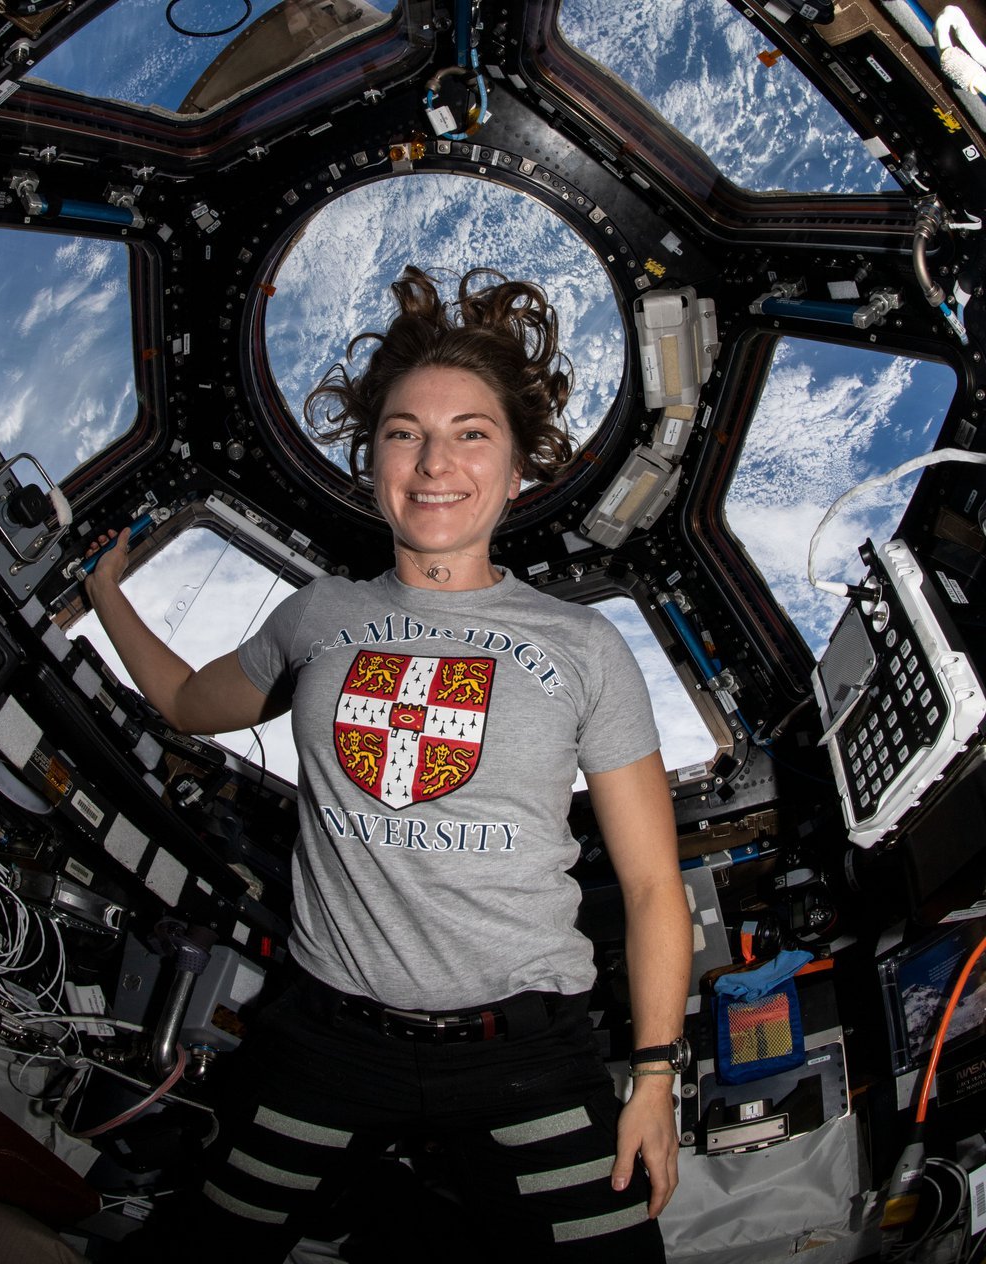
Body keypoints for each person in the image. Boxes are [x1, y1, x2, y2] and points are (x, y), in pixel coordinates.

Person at [85, 266, 692, 1261]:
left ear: (516, 468)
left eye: (470, 432)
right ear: (372, 458)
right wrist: (108, 595)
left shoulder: (583, 646)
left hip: (527, 1053)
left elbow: (649, 882)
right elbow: (190, 701)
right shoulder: (321, 615)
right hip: (328, 1043)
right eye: (404, 431)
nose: (433, 460)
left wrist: (655, 1078)